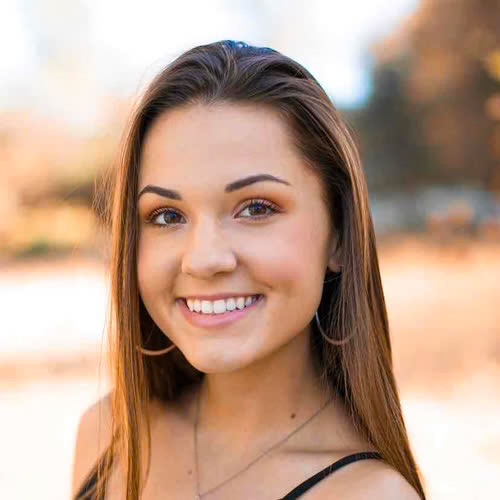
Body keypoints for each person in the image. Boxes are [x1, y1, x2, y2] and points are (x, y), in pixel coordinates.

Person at [71, 40, 426, 499]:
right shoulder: (107, 435)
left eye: (256, 208)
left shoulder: (371, 495)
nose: (203, 259)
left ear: (338, 235)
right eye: (167, 215)